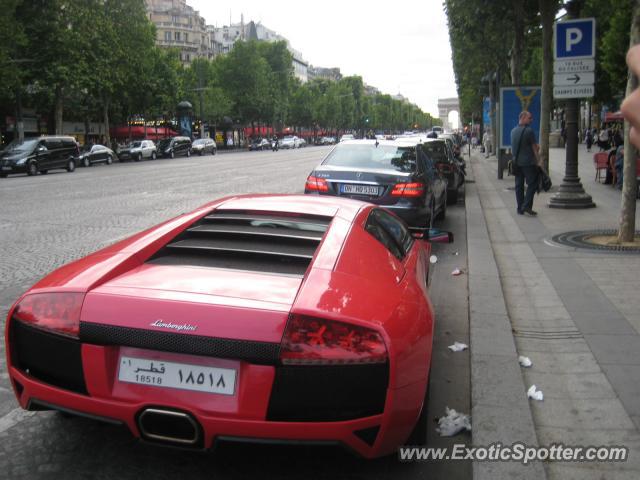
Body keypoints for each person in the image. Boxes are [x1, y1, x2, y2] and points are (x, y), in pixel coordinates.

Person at [510, 111, 540, 216]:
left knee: (519, 185)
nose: (531, 120)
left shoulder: (513, 131)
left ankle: (520, 208)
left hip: (516, 163)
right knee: (532, 184)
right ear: (522, 118)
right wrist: (539, 161)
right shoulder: (529, 131)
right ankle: (526, 205)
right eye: (529, 118)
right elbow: (534, 148)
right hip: (528, 163)